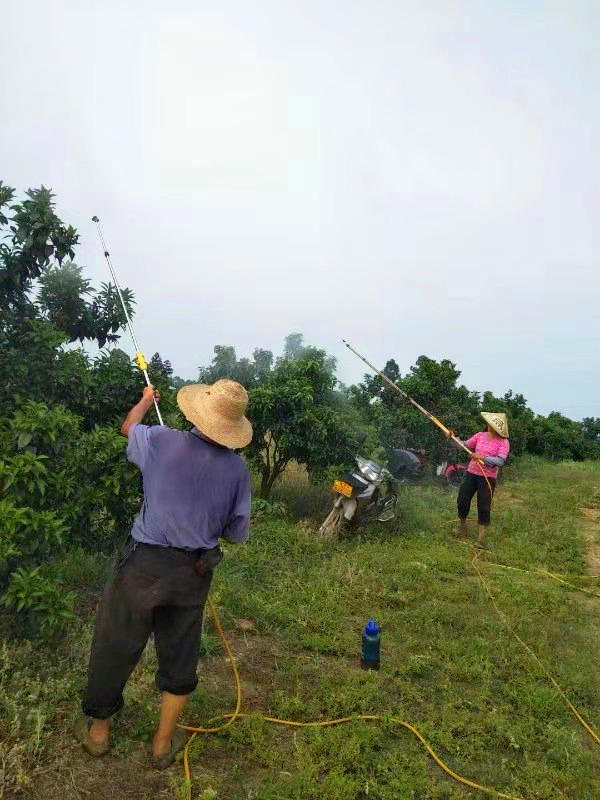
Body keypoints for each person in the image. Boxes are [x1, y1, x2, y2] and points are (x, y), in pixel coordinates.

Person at [74, 379, 253, 769]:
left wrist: (143, 401)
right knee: (180, 656)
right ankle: (161, 744)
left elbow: (127, 428)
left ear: (198, 410)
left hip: (143, 566)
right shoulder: (238, 470)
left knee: (115, 642)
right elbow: (236, 532)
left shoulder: (160, 440)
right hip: (193, 573)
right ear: (232, 427)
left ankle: (99, 733)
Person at [452, 412, 510, 547]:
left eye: (494, 425)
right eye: (490, 423)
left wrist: (482, 457)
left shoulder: (504, 442)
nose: (490, 426)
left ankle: (480, 539)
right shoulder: (479, 436)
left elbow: (500, 461)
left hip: (487, 478)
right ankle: (463, 528)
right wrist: (452, 437)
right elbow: (464, 445)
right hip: (471, 474)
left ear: (498, 428)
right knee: (462, 501)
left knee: (484, 506)